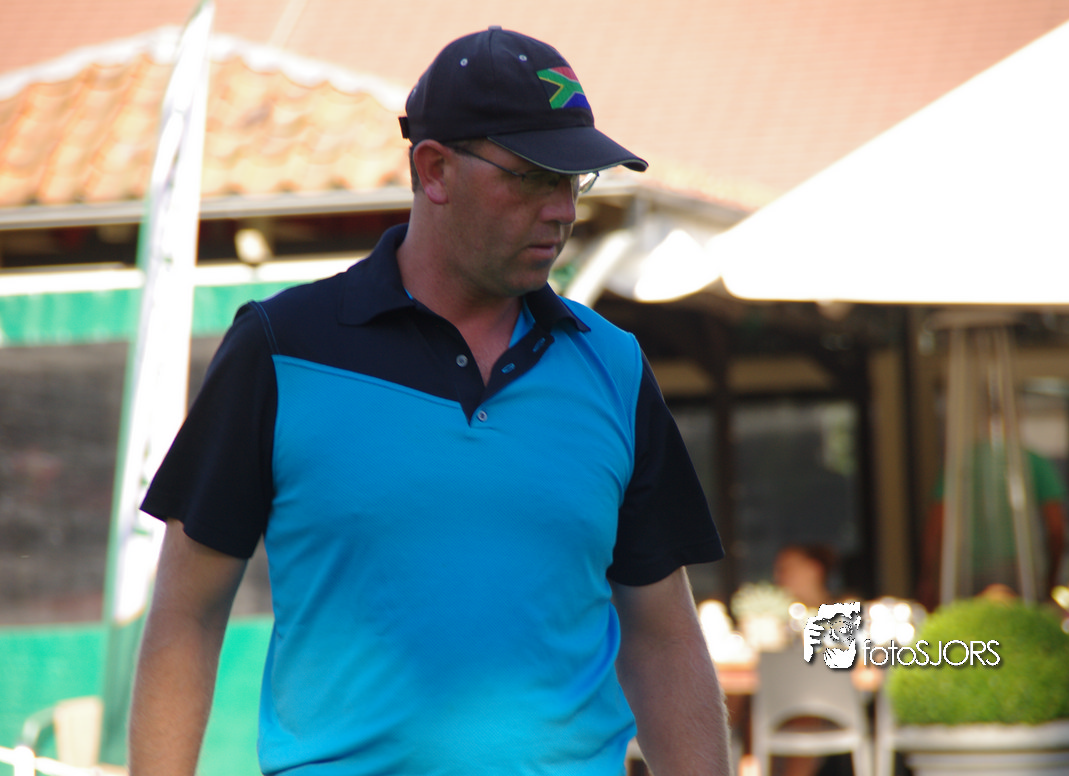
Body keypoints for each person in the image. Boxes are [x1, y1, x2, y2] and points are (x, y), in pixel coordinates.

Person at [129, 27, 730, 776]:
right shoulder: (281, 349)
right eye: (534, 177)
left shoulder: (613, 365)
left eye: (575, 181)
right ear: (434, 169)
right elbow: (185, 616)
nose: (563, 210)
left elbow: (662, 635)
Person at [917, 447, 1066, 610]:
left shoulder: (961, 462)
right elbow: (1056, 528)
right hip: (1017, 571)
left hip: (970, 571)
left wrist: (927, 577)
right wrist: (1052, 576)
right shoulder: (1034, 462)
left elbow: (936, 524)